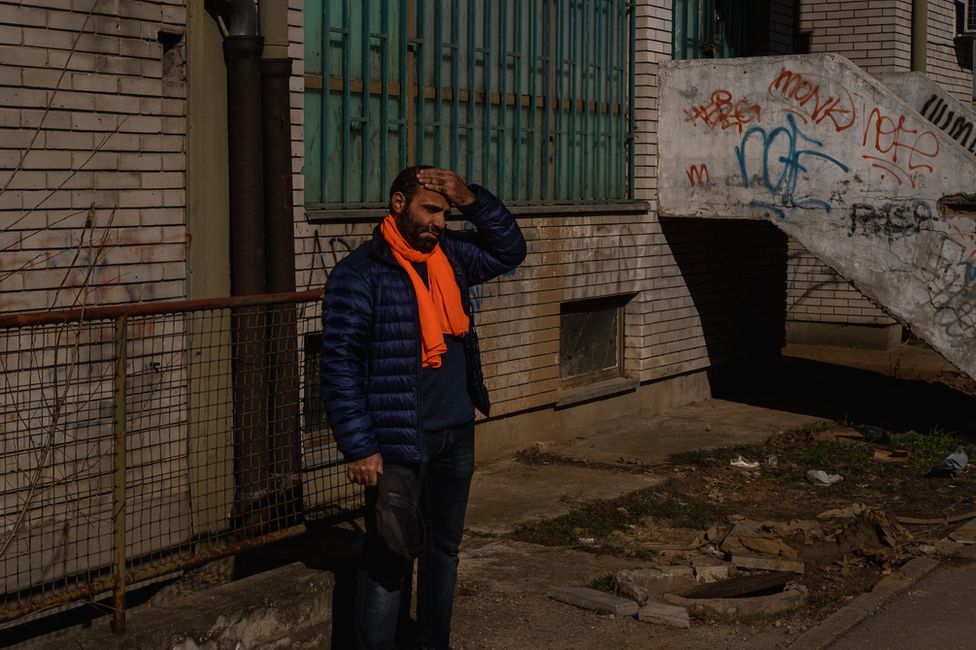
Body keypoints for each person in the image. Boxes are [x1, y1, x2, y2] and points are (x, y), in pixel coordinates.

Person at [320, 166, 526, 649]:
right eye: (430, 210)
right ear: (397, 204)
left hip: (456, 428)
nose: (438, 222)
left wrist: (471, 198)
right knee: (388, 557)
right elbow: (340, 365)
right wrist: (358, 445)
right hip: (397, 440)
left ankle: (434, 642)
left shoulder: (451, 257)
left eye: (446, 214)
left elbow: (509, 249)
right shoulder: (361, 272)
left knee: (444, 551)